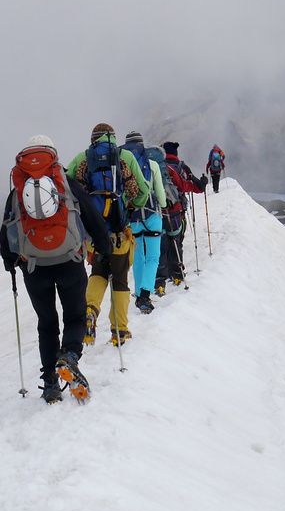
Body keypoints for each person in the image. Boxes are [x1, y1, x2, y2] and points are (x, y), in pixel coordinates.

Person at [0, 134, 113, 403]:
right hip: (69, 261)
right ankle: (70, 357)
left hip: (34, 267)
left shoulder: (18, 189)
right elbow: (91, 215)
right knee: (74, 317)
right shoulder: (64, 182)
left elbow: (6, 229)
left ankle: (50, 383)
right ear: (54, 156)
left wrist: (10, 263)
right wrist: (104, 247)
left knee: (46, 323)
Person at [64, 123, 149, 348]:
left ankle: (90, 310)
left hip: (94, 233)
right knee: (120, 279)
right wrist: (130, 207)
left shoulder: (83, 157)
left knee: (98, 271)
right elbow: (143, 190)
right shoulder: (126, 157)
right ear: (112, 137)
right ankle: (119, 330)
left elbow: (66, 186)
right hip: (120, 231)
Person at [121, 131, 166, 313]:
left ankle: (138, 292)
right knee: (153, 257)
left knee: (137, 257)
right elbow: (159, 191)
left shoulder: (123, 164)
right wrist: (163, 206)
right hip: (152, 214)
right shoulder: (152, 164)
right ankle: (145, 295)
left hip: (133, 219)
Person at [157, 140, 205, 289]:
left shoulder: (157, 167)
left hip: (158, 212)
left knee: (161, 245)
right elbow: (189, 187)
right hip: (177, 212)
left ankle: (159, 280)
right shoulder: (181, 167)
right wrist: (201, 183)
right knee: (176, 242)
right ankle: (177, 274)